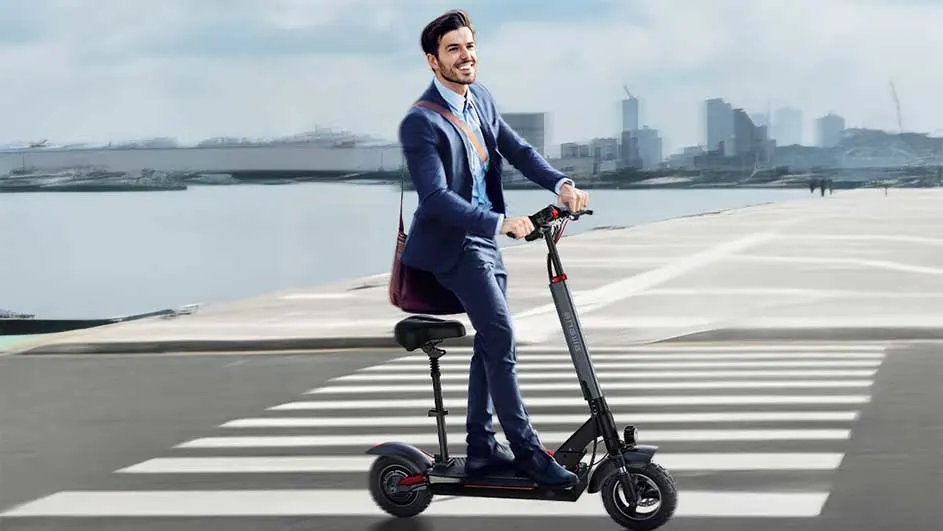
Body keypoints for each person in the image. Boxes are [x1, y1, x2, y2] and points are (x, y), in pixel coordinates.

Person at [398, 9, 589, 487]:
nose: (465, 56)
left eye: (469, 46)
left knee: (490, 339)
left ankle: (482, 449)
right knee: (501, 336)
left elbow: (518, 150)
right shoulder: (420, 123)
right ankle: (528, 452)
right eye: (453, 49)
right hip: (454, 245)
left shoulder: (480, 98)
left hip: (485, 243)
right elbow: (435, 198)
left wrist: (561, 184)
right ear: (433, 60)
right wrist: (499, 223)